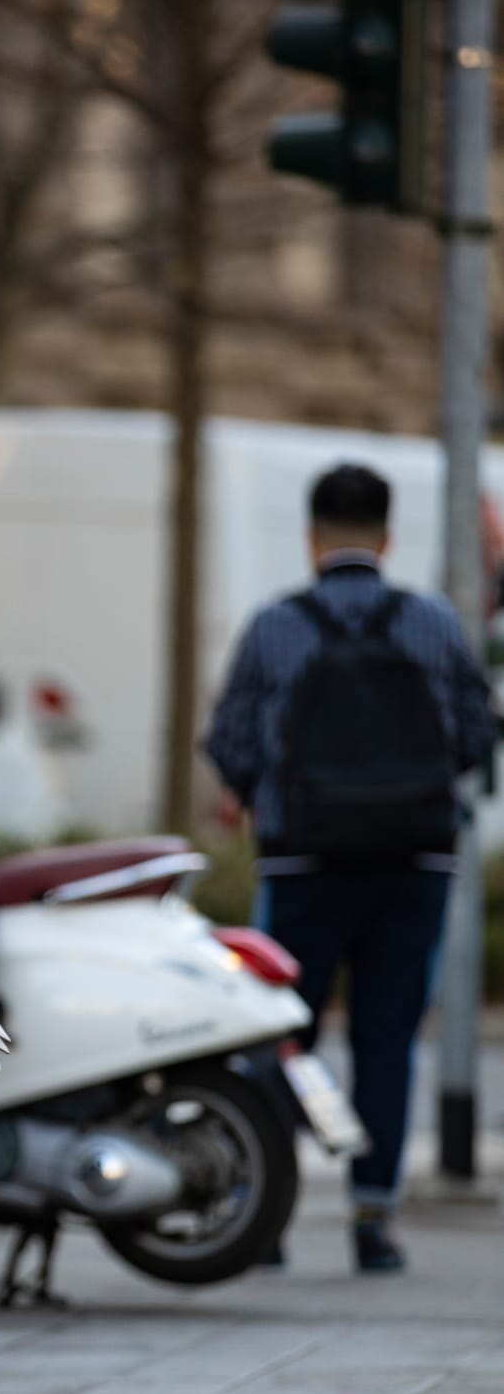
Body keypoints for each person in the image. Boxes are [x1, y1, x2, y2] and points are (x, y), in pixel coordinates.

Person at [204, 463, 496, 1273]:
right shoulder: (432, 623)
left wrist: (264, 794)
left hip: (303, 861)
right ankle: (372, 1221)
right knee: (387, 1038)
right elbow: (474, 733)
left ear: (311, 537)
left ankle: (267, 1219)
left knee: (281, 1035)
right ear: (386, 536)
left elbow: (228, 738)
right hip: (414, 862)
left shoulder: (273, 626)